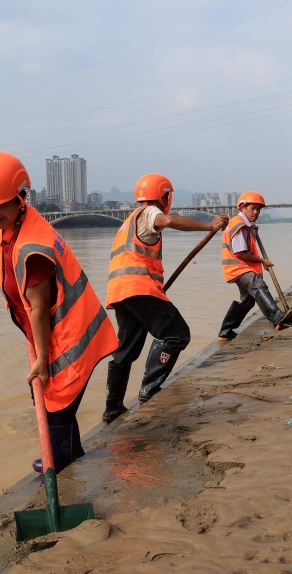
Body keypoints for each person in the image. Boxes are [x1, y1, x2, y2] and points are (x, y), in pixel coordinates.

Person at [0, 151, 118, 475]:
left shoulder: (33, 248)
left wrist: (41, 359)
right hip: (63, 332)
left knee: (53, 404)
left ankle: (59, 466)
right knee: (56, 403)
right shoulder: (11, 224)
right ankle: (73, 455)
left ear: (21, 197)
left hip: (68, 338)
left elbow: (39, 310)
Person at [101, 173, 229, 423]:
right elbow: (168, 220)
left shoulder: (128, 221)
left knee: (126, 349)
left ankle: (112, 409)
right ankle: (149, 390)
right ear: (163, 196)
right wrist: (209, 226)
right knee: (177, 334)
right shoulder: (149, 212)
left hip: (121, 291)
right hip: (138, 288)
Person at [218, 191, 292, 341]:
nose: (255, 212)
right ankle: (276, 317)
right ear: (243, 207)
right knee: (258, 285)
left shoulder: (246, 225)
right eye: (252, 208)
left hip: (240, 267)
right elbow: (240, 253)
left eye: (258, 209)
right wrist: (262, 260)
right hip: (238, 267)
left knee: (248, 300)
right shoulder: (239, 224)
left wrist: (252, 229)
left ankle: (225, 331)